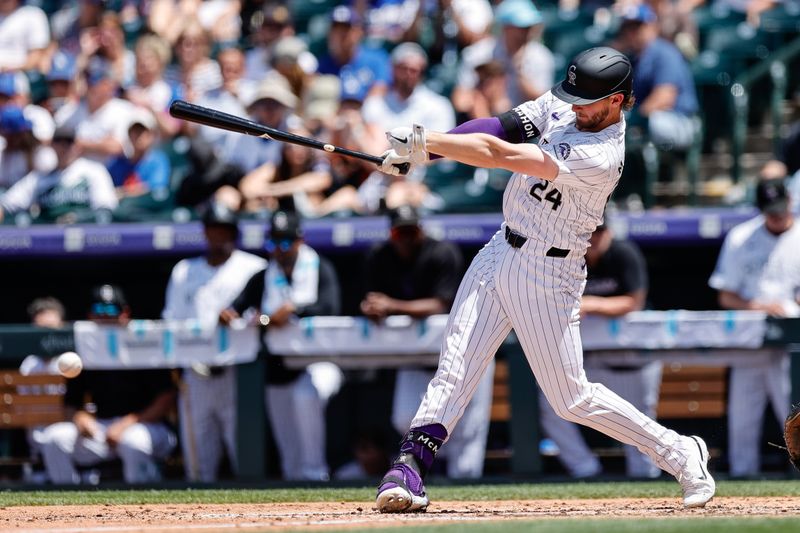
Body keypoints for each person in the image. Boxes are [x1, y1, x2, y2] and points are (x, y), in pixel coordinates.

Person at [374, 46, 715, 512]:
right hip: (500, 248)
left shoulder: (602, 154)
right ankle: (409, 467)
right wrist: (425, 153)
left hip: (549, 270)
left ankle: (678, 451)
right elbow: (499, 128)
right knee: (455, 367)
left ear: (616, 101)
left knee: (570, 399)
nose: (573, 105)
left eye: (586, 100)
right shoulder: (567, 103)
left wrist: (426, 142)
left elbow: (500, 154)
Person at [361, 205, 493, 479]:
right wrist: (373, 308)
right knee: (404, 418)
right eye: (401, 233)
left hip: (464, 350)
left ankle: (467, 492)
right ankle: (434, 465)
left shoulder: (441, 252)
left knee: (468, 429)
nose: (407, 238)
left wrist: (391, 306)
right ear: (391, 234)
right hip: (414, 353)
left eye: (412, 231)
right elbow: (373, 299)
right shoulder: (380, 255)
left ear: (421, 231)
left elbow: (441, 303)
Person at [219, 210, 343, 481]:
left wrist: (294, 309)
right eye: (273, 244)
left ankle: (316, 473)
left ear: (300, 241)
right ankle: (295, 486)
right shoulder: (264, 275)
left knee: (305, 394)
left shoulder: (320, 267)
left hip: (320, 360)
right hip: (280, 366)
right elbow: (236, 307)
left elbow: (330, 306)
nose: (279, 251)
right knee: (286, 436)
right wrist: (228, 313)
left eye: (285, 243)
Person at [538, 218, 661, 479]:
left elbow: (633, 301)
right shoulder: (568, 257)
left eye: (599, 231)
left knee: (635, 419)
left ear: (610, 232)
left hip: (629, 356)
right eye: (587, 232)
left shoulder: (623, 253)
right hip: (588, 356)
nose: (593, 237)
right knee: (553, 405)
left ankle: (646, 476)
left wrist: (589, 304)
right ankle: (585, 470)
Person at [162, 203, 267, 482]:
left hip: (239, 370)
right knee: (198, 459)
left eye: (224, 231)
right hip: (196, 373)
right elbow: (171, 320)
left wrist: (239, 316)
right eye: (213, 230)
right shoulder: (184, 270)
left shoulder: (254, 267)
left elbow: (265, 313)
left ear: (234, 233)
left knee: (242, 449)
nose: (218, 237)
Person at [36, 285, 178, 485]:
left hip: (147, 427)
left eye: (111, 311)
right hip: (103, 428)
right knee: (54, 438)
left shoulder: (142, 343)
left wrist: (125, 424)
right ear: (90, 315)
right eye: (99, 311)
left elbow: (165, 400)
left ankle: (143, 505)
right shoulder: (87, 349)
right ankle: (66, 504)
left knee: (132, 441)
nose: (105, 317)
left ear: (125, 313)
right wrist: (81, 418)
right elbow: (70, 405)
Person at [708, 178, 799, 477]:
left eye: (780, 206)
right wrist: (757, 306)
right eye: (769, 209)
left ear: (790, 201)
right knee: (742, 420)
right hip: (749, 339)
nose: (776, 214)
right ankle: (742, 477)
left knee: (794, 415)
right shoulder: (741, 237)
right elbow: (725, 293)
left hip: (792, 343)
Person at [0, 125, 118, 224]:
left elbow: (105, 209)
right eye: (59, 141)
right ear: (52, 145)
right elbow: (8, 204)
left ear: (77, 145)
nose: (63, 146)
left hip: (87, 237)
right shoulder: (39, 178)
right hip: (50, 241)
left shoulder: (94, 171)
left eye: (68, 142)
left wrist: (80, 218)